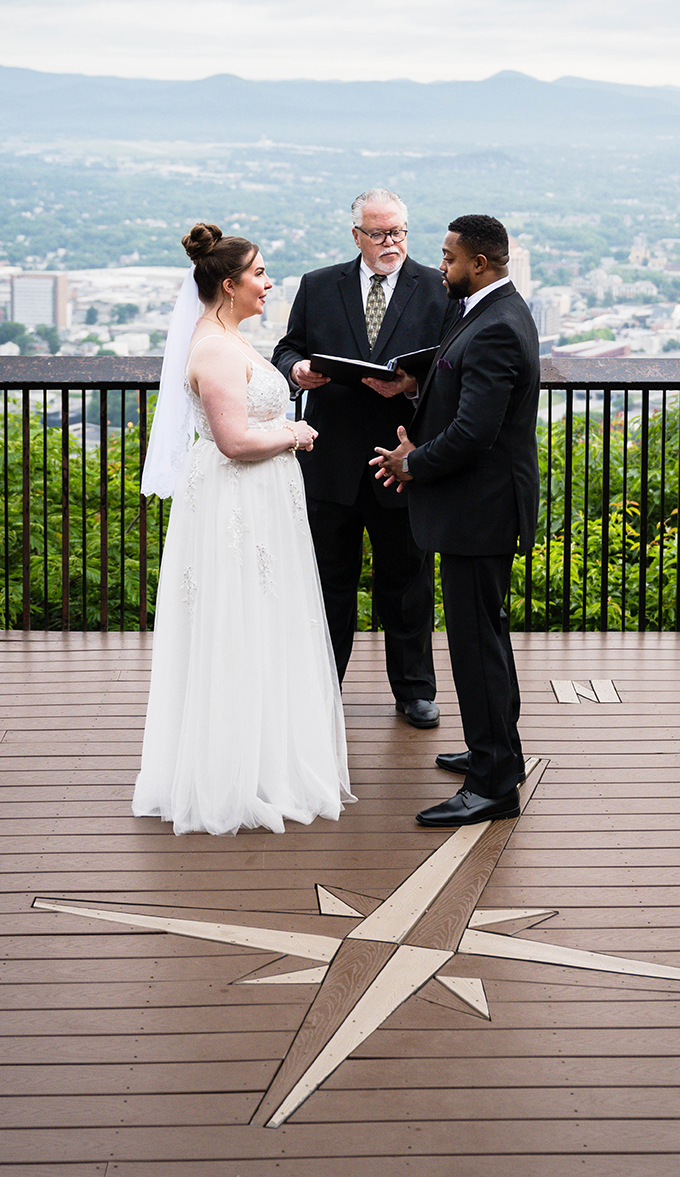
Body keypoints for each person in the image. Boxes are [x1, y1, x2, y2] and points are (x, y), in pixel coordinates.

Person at [132, 223, 353, 836]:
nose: (269, 282)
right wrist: (295, 432)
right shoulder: (214, 349)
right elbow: (231, 441)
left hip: (261, 501)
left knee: (265, 619)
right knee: (237, 619)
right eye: (259, 273)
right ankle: (232, 774)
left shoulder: (231, 338)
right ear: (228, 285)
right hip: (236, 502)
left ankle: (265, 758)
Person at [372, 214, 540, 828]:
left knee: (475, 647)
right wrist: (420, 383)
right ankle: (496, 752)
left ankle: (493, 784)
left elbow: (475, 431)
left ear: (481, 263)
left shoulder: (495, 325)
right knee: (483, 640)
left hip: (480, 512)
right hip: (478, 509)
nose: (441, 267)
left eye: (449, 259)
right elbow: (459, 386)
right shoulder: (490, 309)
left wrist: (413, 463)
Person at [272, 188, 453, 727]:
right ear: (356, 236)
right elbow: (287, 347)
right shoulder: (318, 284)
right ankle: (322, 689)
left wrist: (412, 385)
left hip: (400, 457)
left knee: (408, 582)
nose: (390, 242)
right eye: (378, 233)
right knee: (328, 583)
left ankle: (415, 691)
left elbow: (450, 367)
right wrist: (297, 370)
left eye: (398, 231)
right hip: (330, 461)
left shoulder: (438, 288)